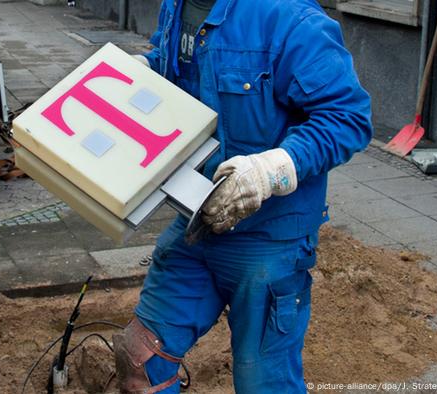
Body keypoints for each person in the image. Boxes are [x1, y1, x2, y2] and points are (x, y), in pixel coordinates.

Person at [114, 0, 373, 392]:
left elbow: (347, 117)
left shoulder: (288, 18)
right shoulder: (176, 6)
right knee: (139, 358)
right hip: (197, 222)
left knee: (263, 384)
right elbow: (181, 65)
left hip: (268, 241)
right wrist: (148, 69)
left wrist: (272, 170)